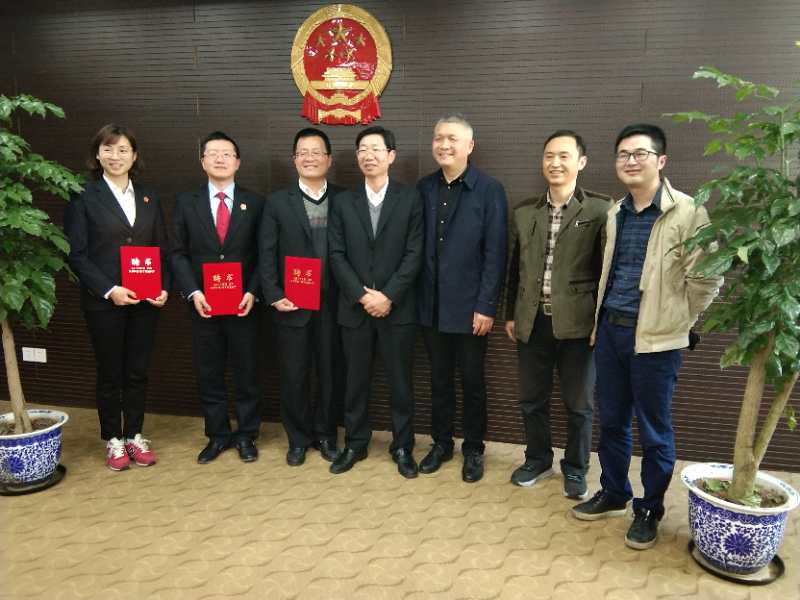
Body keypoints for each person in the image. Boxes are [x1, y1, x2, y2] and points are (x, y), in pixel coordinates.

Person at [571, 124, 722, 549]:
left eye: (640, 153)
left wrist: (679, 320)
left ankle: (650, 508)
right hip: (611, 332)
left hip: (657, 340)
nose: (630, 161)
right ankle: (615, 492)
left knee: (654, 431)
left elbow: (707, 278)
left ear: (661, 161)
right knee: (612, 421)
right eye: (623, 154)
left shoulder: (688, 212)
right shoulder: (616, 212)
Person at [504, 130, 610, 498]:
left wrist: (601, 322)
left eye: (564, 156)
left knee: (579, 404)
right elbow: (514, 268)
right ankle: (537, 460)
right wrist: (510, 313)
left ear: (581, 162)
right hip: (532, 320)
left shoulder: (600, 210)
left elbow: (607, 272)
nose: (555, 163)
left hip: (579, 325)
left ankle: (576, 468)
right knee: (531, 399)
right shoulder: (524, 211)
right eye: (549, 156)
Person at [64, 124, 169, 471]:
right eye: (108, 149)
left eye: (123, 150)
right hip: (104, 302)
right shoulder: (83, 195)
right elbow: (77, 254)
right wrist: (110, 290)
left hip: (145, 301)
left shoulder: (149, 197)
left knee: (137, 371)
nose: (115, 156)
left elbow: (161, 247)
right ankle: (113, 438)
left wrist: (164, 287)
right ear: (97, 154)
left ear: (134, 156)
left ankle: (134, 434)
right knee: (110, 372)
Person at [415, 114, 507, 483]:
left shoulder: (489, 190)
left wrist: (486, 306)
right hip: (431, 306)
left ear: (469, 146)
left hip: (471, 309)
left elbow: (496, 253)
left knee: (472, 382)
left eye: (452, 139)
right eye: (439, 138)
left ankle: (473, 449)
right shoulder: (423, 188)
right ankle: (441, 443)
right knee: (438, 380)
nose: (444, 145)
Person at [328, 125, 423, 478]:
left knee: (401, 383)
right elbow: (336, 254)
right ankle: (355, 443)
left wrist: (388, 295)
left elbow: (414, 253)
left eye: (376, 149)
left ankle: (403, 447)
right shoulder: (343, 202)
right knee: (355, 382)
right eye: (362, 150)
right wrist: (362, 295)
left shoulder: (410, 199)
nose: (369, 156)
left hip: (398, 309)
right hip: (355, 309)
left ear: (391, 156)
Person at [171, 131, 265, 464]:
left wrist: (253, 290)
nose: (220, 159)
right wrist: (193, 291)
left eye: (227, 153)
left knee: (246, 373)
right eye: (213, 153)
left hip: (244, 305)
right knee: (208, 373)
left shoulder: (256, 203)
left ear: (238, 162)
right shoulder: (186, 202)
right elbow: (177, 252)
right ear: (202, 162)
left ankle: (247, 435)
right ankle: (217, 435)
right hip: (204, 306)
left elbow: (264, 253)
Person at [259, 128, 345, 466]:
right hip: (291, 303)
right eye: (302, 152)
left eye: (316, 152)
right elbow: (266, 252)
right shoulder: (277, 202)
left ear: (329, 159)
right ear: (294, 159)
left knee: (330, 372)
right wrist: (274, 294)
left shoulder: (344, 198)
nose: (310, 158)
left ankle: (326, 434)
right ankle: (297, 438)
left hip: (333, 303)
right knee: (294, 374)